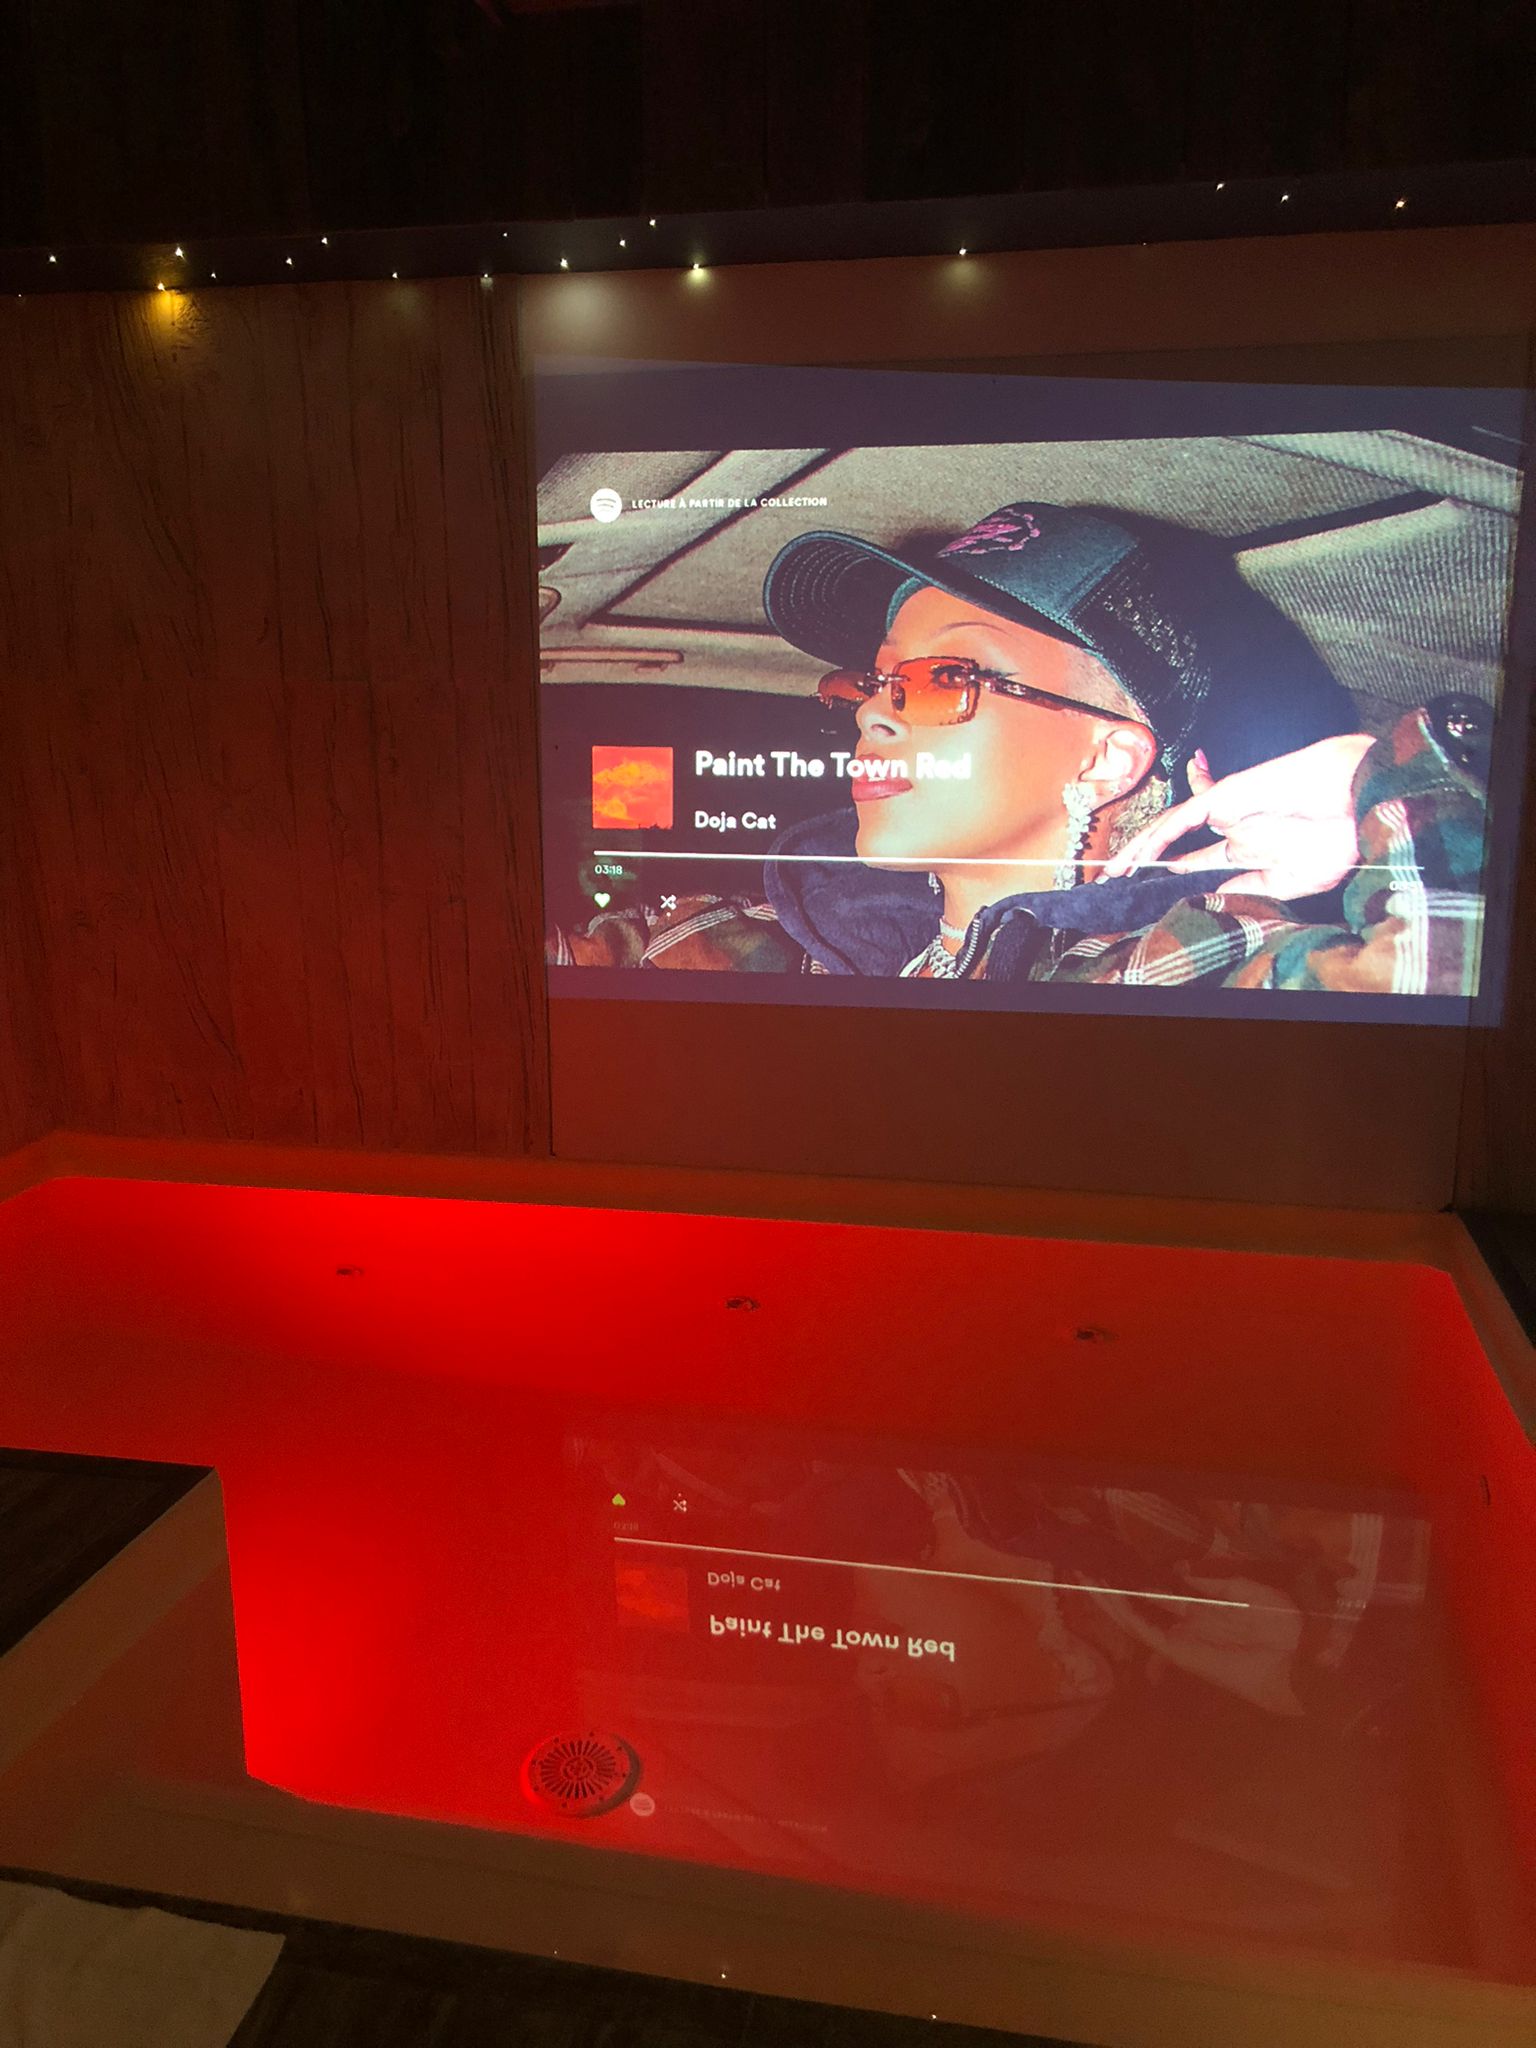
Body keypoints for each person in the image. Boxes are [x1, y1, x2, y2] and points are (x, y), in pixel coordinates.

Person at [550, 500, 1492, 994]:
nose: (872, 714)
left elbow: (1437, 987)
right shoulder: (760, 935)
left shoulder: (1168, 966)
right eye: (874, 682)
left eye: (944, 677)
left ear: (1106, 760)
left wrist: (1383, 776)